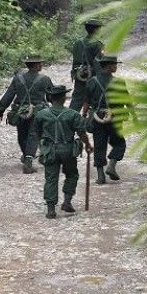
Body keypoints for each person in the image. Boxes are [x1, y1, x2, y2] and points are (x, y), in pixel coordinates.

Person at [34, 85, 92, 219]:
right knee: (72, 174)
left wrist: (42, 146)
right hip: (68, 150)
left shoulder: (41, 114)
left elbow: (37, 132)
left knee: (51, 178)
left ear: (51, 98)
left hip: (50, 150)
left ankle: (51, 209)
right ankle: (67, 201)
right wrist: (88, 144)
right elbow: (81, 133)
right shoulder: (73, 114)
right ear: (64, 98)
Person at [0, 54, 53, 174]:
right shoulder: (45, 79)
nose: (41, 65)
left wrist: (1, 110)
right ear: (36, 65)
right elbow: (51, 97)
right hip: (38, 112)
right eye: (40, 63)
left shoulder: (18, 79)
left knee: (22, 134)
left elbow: (9, 95)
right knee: (34, 134)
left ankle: (26, 155)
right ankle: (28, 160)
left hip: (20, 111)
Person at [84, 54, 126, 184]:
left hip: (97, 117)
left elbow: (86, 102)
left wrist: (84, 116)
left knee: (99, 145)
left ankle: (100, 176)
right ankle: (111, 165)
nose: (116, 67)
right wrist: (134, 116)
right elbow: (127, 101)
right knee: (119, 143)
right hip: (115, 117)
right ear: (108, 66)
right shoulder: (119, 82)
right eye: (115, 64)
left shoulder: (92, 81)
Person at [69, 19, 104, 110]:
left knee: (76, 99)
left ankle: (69, 117)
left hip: (79, 74)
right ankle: (92, 117)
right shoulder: (98, 44)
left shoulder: (78, 43)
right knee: (95, 99)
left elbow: (75, 60)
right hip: (92, 76)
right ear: (96, 30)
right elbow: (98, 64)